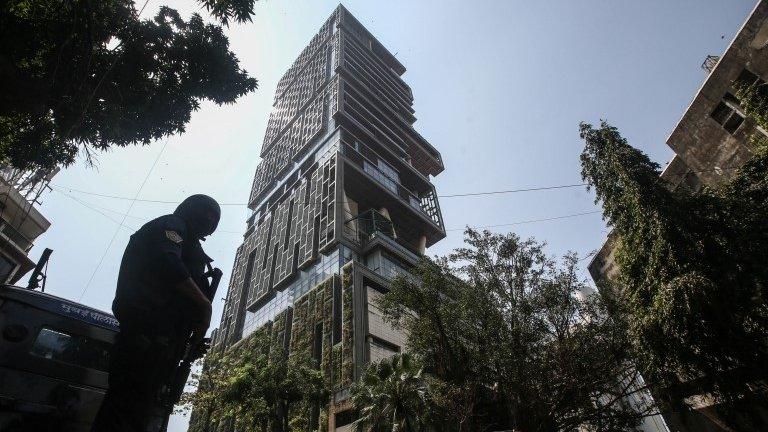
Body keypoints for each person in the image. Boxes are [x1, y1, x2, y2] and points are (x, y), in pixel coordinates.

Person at [91, 194, 221, 432]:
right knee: (124, 414)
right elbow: (166, 262)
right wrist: (204, 304)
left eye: (214, 219)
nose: (209, 221)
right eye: (207, 215)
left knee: (138, 415)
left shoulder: (191, 246)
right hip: (144, 335)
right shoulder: (172, 225)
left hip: (163, 345)